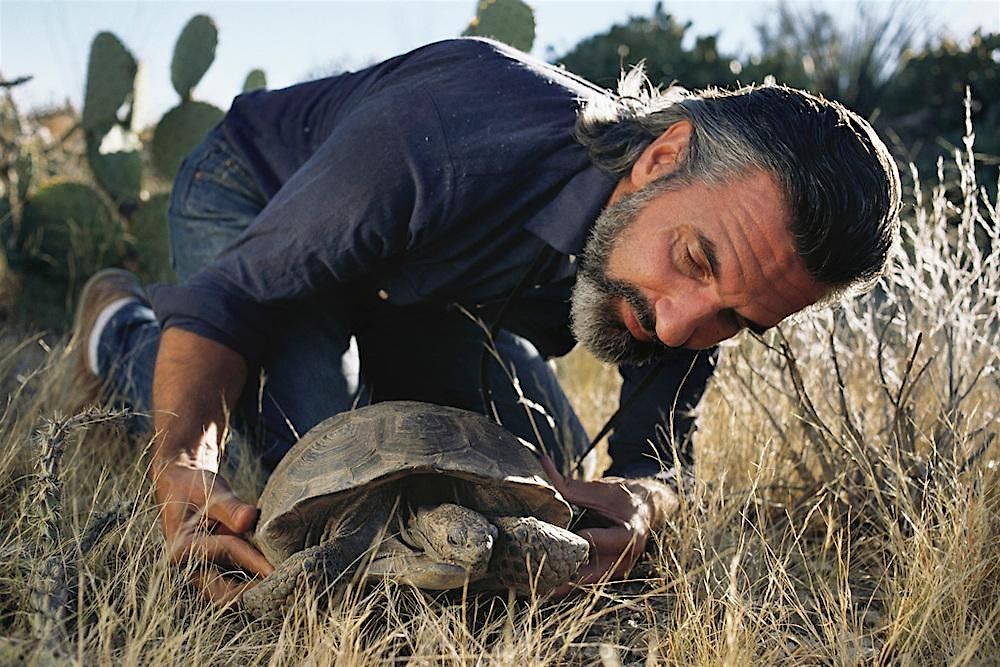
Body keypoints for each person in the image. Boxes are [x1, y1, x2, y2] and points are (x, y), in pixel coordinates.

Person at [71, 38, 901, 604]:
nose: (683, 326)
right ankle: (122, 328)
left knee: (547, 484)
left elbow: (655, 460)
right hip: (259, 196)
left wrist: (649, 500)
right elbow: (236, 294)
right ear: (658, 159)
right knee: (304, 486)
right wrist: (184, 455)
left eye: (736, 319)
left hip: (420, 286)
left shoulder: (712, 268)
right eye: (694, 260)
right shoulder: (438, 135)